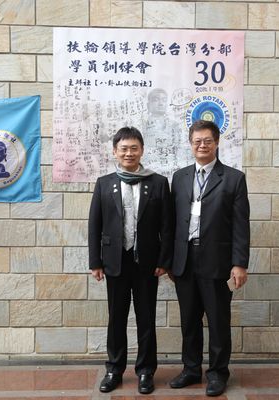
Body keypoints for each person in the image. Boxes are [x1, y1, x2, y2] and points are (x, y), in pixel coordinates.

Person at [88, 126, 173, 394]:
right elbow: (94, 225)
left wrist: (164, 260)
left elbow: (167, 226)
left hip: (147, 263)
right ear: (115, 151)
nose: (129, 153)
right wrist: (95, 262)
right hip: (115, 261)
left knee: (146, 318)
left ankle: (146, 371)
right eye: (123, 148)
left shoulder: (158, 183)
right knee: (116, 318)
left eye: (134, 148)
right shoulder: (104, 183)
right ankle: (114, 369)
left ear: (142, 151)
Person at [169, 120, 250, 396]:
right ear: (190, 144)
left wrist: (239, 263)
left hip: (217, 261)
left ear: (216, 143)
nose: (202, 145)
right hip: (185, 260)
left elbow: (241, 225)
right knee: (189, 320)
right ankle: (191, 369)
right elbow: (172, 222)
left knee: (218, 321)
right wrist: (169, 260)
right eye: (197, 141)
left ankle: (217, 373)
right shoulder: (179, 177)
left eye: (207, 141)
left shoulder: (233, 178)